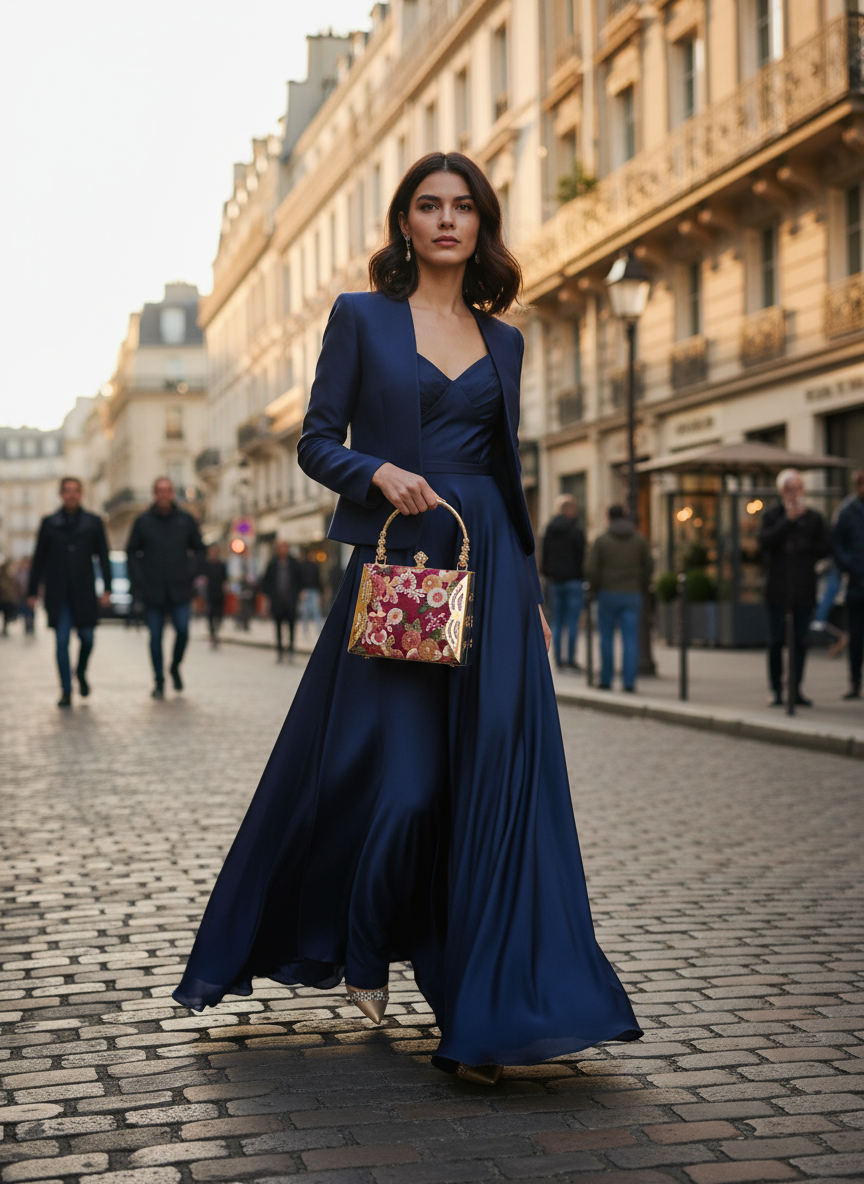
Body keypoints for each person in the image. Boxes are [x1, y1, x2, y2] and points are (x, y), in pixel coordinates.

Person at [174, 152, 641, 1083]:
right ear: (405, 223)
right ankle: (363, 939)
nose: (446, 219)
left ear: (482, 224)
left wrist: (531, 595)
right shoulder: (362, 317)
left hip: (493, 574)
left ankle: (483, 1013)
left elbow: (508, 474)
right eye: (429, 205)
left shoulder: (505, 341)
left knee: (494, 790)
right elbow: (315, 441)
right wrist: (375, 471)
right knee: (407, 787)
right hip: (401, 575)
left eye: (463, 206)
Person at [26, 477, 111, 706]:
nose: (71, 495)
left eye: (75, 491)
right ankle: (65, 689)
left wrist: (107, 588)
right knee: (61, 641)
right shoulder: (49, 523)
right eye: (67, 491)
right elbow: (39, 559)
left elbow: (103, 556)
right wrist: (32, 591)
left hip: (84, 591)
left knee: (88, 638)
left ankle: (80, 672)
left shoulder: (93, 522)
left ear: (81, 494)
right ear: (61, 494)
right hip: (58, 593)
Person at [126, 477, 205, 699]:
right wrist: (139, 579)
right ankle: (159, 680)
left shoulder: (185, 520)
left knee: (183, 631)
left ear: (172, 493)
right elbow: (131, 553)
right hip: (153, 590)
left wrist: (191, 572)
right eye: (160, 490)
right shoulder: (143, 521)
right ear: (155, 494)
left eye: (167, 490)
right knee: (155, 637)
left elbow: (200, 549)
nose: (164, 494)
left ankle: (175, 666)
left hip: (180, 588)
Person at [759, 468, 831, 707]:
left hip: (803, 588)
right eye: (790, 489)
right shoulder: (772, 516)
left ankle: (795, 688)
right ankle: (776, 689)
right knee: (776, 640)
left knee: (800, 641)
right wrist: (786, 522)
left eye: (798, 488)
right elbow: (764, 542)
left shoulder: (813, 518)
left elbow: (825, 547)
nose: (795, 494)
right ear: (782, 491)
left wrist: (805, 546)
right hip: (777, 589)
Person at [586, 504, 652, 692]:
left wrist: (595, 587)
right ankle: (629, 682)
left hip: (607, 593)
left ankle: (606, 679)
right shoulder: (639, 540)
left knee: (606, 638)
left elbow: (592, 569)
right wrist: (640, 584)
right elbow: (648, 566)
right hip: (631, 594)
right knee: (630, 639)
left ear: (608, 517)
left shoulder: (602, 541)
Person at [541, 494, 586, 670]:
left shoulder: (550, 530)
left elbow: (544, 555)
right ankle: (571, 659)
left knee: (557, 621)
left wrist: (548, 573)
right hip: (574, 580)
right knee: (573, 622)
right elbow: (582, 555)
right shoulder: (576, 531)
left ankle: (558, 659)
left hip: (555, 581)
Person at [834, 467, 864, 700]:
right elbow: (836, 543)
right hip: (856, 584)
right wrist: (849, 566)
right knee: (855, 637)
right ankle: (855, 682)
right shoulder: (847, 511)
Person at [260, 539, 302, 661]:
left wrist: (300, 593)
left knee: (292, 626)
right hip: (277, 600)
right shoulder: (272, 564)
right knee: (278, 626)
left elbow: (300, 580)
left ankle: (291, 650)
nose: (282, 550)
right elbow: (266, 582)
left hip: (290, 600)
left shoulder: (294, 563)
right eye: (280, 547)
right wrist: (267, 597)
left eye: (284, 547)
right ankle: (279, 650)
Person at [204, 544, 228, 648]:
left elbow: (225, 579)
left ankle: (216, 632)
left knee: (219, 614)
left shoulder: (222, 565)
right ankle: (212, 633)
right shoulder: (206, 565)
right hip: (209, 593)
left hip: (219, 593)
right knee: (210, 614)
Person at [298, 549, 323, 634]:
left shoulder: (314, 567)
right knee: (306, 611)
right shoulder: (303, 566)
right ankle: (305, 630)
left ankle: (317, 628)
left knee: (315, 610)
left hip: (313, 590)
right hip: (306, 590)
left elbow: (318, 579)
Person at [15, 558, 35, 635]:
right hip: (22, 596)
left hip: (30, 595)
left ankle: (31, 626)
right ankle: (27, 626)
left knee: (31, 612)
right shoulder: (20, 572)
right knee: (25, 611)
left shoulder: (32, 572)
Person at [0, 560, 18, 637]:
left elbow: (11, 587)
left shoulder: (9, 577)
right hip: (3, 599)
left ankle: (5, 628)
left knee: (6, 615)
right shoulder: (4, 577)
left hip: (6, 599)